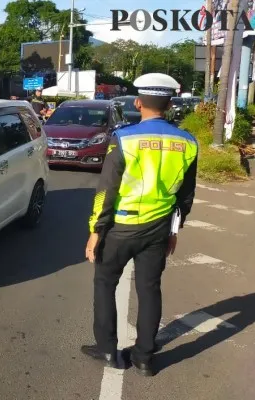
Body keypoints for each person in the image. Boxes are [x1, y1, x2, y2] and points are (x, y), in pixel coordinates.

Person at [80, 73, 199, 377]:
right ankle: (145, 357)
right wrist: (174, 230)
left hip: (121, 227)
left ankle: (108, 349)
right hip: (158, 228)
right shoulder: (188, 142)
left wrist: (96, 231)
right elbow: (185, 195)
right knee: (150, 289)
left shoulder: (124, 138)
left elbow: (106, 191)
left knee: (105, 284)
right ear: (170, 104)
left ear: (138, 102)